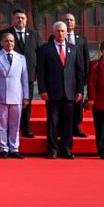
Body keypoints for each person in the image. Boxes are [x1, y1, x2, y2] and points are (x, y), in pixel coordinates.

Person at [37, 20, 85, 159]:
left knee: (68, 123)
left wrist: (80, 91)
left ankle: (67, 148)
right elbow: (41, 72)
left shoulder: (74, 49)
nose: (60, 33)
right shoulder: (45, 49)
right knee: (52, 122)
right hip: (52, 93)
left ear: (66, 32)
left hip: (70, 93)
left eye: (63, 31)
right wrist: (42, 90)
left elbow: (79, 72)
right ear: (53, 32)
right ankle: (52, 149)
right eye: (58, 30)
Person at [0, 31, 29, 158]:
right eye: (6, 41)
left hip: (17, 95)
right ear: (1, 43)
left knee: (15, 124)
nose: (9, 43)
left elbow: (24, 79)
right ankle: (3, 148)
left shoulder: (21, 58)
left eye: (11, 41)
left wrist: (26, 96)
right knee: (1, 124)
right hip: (1, 95)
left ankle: (14, 148)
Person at [0, 8, 39, 138]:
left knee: (26, 103)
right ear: (13, 19)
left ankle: (25, 128)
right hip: (9, 77)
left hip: (28, 75)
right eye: (17, 18)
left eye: (22, 18)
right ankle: (8, 129)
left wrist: (37, 73)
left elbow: (39, 55)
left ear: (26, 19)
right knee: (9, 104)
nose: (20, 20)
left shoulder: (34, 34)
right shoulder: (4, 33)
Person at [64, 13, 91, 138]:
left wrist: (86, 75)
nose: (69, 22)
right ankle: (63, 127)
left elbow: (86, 58)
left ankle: (77, 126)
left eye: (71, 20)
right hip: (63, 75)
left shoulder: (82, 38)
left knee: (78, 102)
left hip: (78, 76)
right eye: (67, 20)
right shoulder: (56, 36)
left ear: (75, 23)